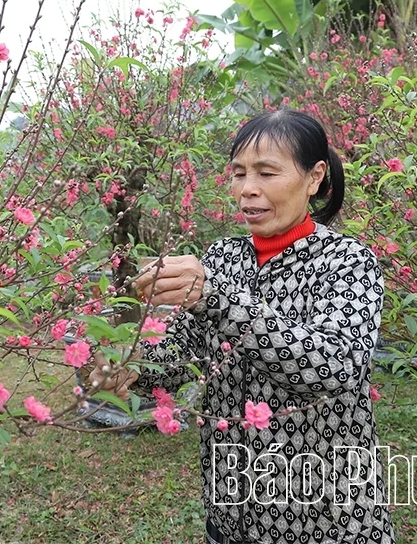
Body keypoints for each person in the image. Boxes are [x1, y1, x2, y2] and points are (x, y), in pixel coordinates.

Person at [125, 109, 395, 544]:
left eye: (267, 173)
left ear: (314, 177)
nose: (247, 189)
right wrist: (127, 366)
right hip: (232, 506)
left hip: (325, 515)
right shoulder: (222, 258)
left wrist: (215, 298)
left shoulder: (346, 261)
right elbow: (179, 360)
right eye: (238, 174)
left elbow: (333, 367)